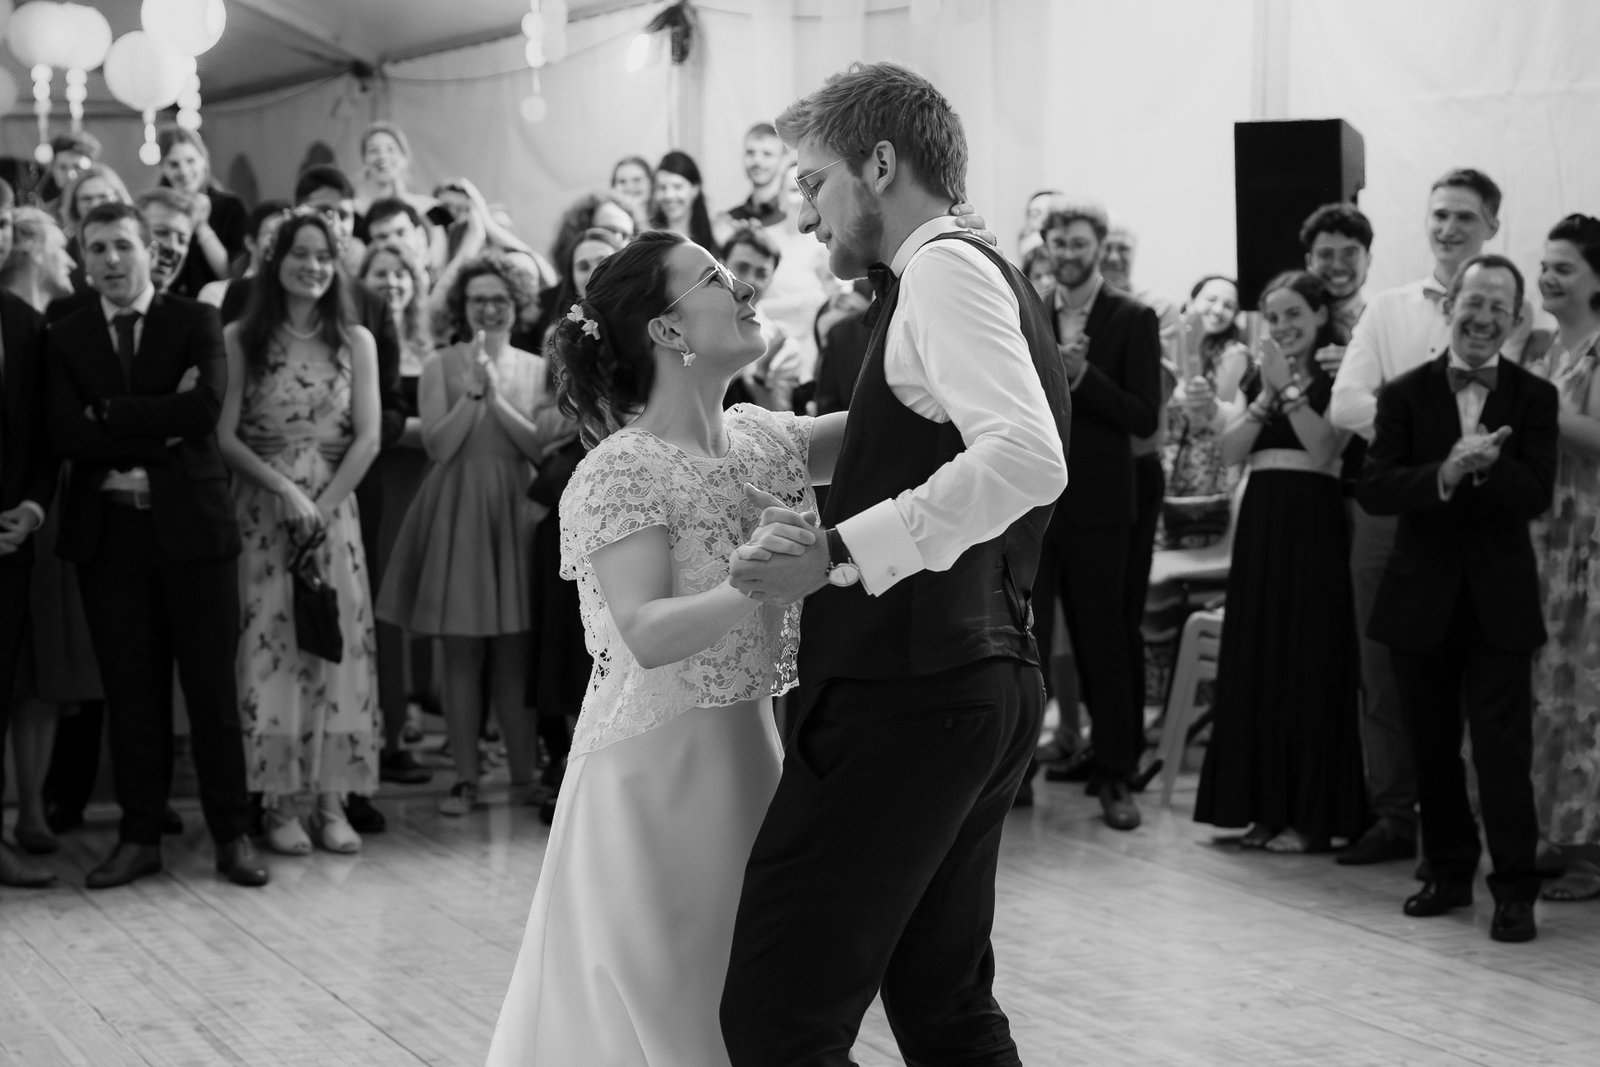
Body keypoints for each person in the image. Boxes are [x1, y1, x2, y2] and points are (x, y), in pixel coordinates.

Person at [723, 62, 1070, 1064]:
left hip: (910, 691)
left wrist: (834, 551)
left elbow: (1024, 458)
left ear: (879, 163)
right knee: (945, 1008)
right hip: (974, 679)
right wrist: (782, 442)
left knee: (779, 1018)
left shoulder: (944, 271)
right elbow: (918, 422)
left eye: (812, 180)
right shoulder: (964, 269)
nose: (803, 215)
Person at [46, 202, 268, 889]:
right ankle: (139, 834)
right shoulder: (66, 331)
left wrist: (108, 412)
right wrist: (152, 420)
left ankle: (232, 834)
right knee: (130, 691)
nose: (111, 260)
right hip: (109, 533)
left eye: (122, 246)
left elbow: (202, 412)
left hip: (194, 534)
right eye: (96, 249)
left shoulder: (194, 320)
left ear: (151, 252)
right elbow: (65, 433)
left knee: (211, 693)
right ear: (83, 260)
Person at [1329, 167, 1531, 869]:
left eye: (1464, 219)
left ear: (1491, 227)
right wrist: (1426, 440)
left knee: (1485, 680)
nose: (1448, 229)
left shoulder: (1513, 309)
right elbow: (1345, 402)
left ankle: (1477, 821)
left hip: (1488, 515)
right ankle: (1395, 814)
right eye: (1439, 214)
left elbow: (1523, 409)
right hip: (1399, 504)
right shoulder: (1388, 310)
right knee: (1385, 669)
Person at [1358, 253, 1555, 943]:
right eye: (1473, 304)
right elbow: (1376, 486)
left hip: (1500, 602)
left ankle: (1515, 890)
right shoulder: (1404, 394)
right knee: (1432, 749)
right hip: (1422, 600)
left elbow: (1536, 493)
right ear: (1450, 309)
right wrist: (1443, 472)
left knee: (1504, 755)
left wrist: (1489, 467)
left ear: (1515, 320)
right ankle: (1446, 872)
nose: (1483, 317)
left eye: (1499, 308)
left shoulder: (1535, 397)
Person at [215, 212, 382, 855]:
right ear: (274, 260)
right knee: (271, 645)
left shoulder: (355, 339)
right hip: (262, 508)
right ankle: (280, 804)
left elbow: (368, 437)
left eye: (322, 255)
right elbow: (224, 435)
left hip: (334, 511)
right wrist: (285, 491)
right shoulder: (241, 337)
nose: (311, 266)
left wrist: (322, 504)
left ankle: (332, 798)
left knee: (334, 646)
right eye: (298, 254)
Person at [1194, 271, 1367, 852]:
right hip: (1262, 521)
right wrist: (1267, 393)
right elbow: (1230, 451)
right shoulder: (1258, 377)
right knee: (1259, 657)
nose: (1284, 326)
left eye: (1295, 313)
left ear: (1320, 315)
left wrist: (1288, 392)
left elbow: (1324, 449)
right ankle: (1261, 808)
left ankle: (1311, 817)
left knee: (1309, 661)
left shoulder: (1342, 371)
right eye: (1274, 316)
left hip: (1314, 521)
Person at [377, 253, 553, 815]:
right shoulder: (438, 365)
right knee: (459, 650)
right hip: (457, 510)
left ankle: (524, 777)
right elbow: (439, 447)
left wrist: (497, 397)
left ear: (516, 305)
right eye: (478, 299)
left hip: (516, 510)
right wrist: (474, 395)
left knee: (514, 652)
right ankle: (465, 777)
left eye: (499, 299)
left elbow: (538, 448)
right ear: (463, 306)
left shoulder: (534, 366)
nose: (489, 308)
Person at [1028, 203, 1162, 830]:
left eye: (1079, 242)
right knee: (1025, 636)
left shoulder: (1133, 319)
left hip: (1104, 505)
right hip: (1034, 502)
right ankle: (1016, 775)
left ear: (1100, 246)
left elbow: (1143, 416)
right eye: (1059, 241)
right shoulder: (1029, 309)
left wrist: (1083, 376)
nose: (1068, 251)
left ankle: (1117, 772)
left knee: (1105, 640)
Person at [1529, 213, 1600, 903]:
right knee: (1549, 689)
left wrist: (1533, 402)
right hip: (1544, 540)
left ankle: (1588, 852)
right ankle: (1556, 834)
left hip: (1591, 543)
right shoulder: (1545, 345)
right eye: (1545, 264)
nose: (1547, 276)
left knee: (1587, 698)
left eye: (1565, 267)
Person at [359, 239, 436, 785]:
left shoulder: (439, 345)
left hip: (428, 485)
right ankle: (385, 732)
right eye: (379, 272)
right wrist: (417, 430)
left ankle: (427, 724)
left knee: (424, 608)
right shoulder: (366, 342)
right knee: (384, 607)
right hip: (382, 484)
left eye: (400, 273)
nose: (390, 282)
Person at [0, 179, 57, 889]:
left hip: (12, 538)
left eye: (3, 221)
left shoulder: (23, 321)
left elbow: (43, 436)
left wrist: (34, 508)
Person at [156, 126, 247, 298]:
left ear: (204, 161)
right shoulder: (155, 211)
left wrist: (202, 226)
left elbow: (232, 274)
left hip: (217, 304)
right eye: (174, 164)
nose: (184, 172)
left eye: (190, 161)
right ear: (163, 167)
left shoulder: (230, 206)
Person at [721, 225, 803, 411]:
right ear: (721, 267)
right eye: (742, 268)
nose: (750, 281)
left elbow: (779, 419)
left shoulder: (782, 344)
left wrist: (760, 374)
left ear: (771, 279)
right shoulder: (691, 324)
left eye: (761, 273)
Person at [198, 200, 290, 309]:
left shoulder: (295, 299)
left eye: (288, 237)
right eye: (272, 234)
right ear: (250, 242)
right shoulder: (218, 294)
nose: (281, 243)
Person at [713, 122, 792, 242]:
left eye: (767, 154)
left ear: (783, 162)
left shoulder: (795, 218)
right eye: (750, 152)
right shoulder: (730, 221)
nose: (757, 161)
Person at [354, 121, 439, 226]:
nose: (382, 156)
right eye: (373, 150)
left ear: (405, 157)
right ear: (364, 159)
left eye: (390, 149)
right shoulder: (354, 211)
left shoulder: (429, 209)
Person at [652, 150, 718, 253]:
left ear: (695, 189)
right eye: (662, 187)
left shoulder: (716, 238)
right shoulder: (649, 239)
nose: (668, 196)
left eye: (677, 187)